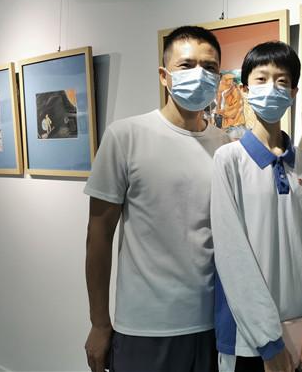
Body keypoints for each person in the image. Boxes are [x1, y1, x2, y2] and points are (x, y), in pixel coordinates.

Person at [83, 26, 230, 372]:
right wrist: (100, 323)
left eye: (209, 67)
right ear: (165, 75)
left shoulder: (224, 145)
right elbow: (99, 235)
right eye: (187, 65)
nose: (199, 74)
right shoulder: (126, 136)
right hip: (145, 326)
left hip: (213, 323)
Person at [210, 41, 302, 372]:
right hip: (249, 341)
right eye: (261, 79)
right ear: (245, 89)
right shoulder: (229, 160)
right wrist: (268, 341)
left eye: (282, 81)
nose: (272, 88)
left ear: (293, 92)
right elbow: (232, 257)